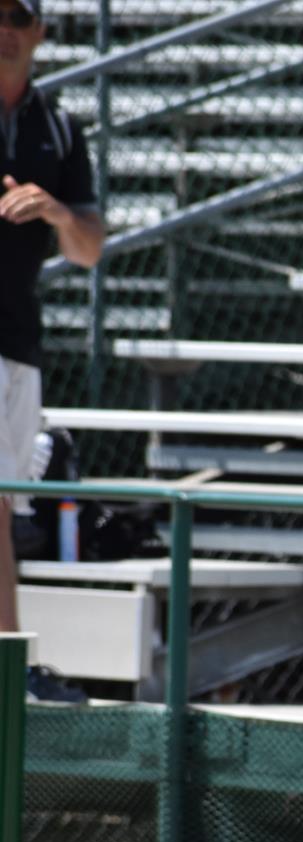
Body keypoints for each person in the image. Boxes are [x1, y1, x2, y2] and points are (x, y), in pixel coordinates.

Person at [2, 0, 101, 704]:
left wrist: (57, 211)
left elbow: (89, 250)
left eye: (17, 13)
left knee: (4, 508)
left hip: (17, 346)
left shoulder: (60, 128)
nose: (3, 26)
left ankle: (10, 666)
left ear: (40, 30)